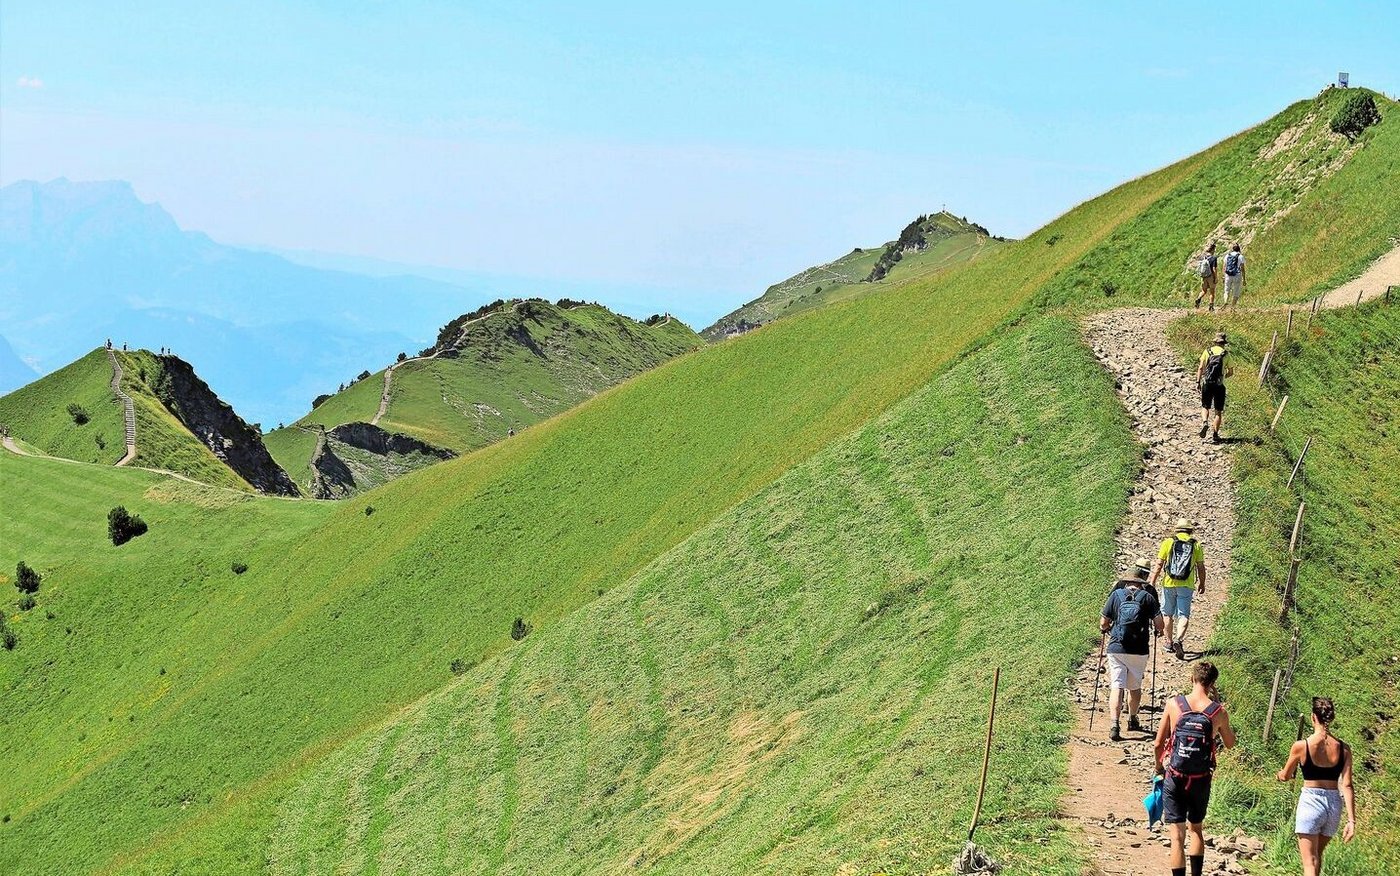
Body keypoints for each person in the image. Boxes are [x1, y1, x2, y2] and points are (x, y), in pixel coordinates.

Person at [1154, 661, 1237, 876]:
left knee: (1177, 836)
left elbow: (1158, 743)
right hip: (1200, 778)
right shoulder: (1218, 712)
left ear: (1192, 679)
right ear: (1212, 684)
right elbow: (1230, 743)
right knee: (1196, 829)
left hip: (1175, 775)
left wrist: (1158, 768)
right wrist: (1218, 706)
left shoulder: (1174, 705)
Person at [1277, 697, 1357, 875]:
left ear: (1313, 717)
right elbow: (1347, 785)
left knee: (1309, 863)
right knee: (1317, 857)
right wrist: (1351, 820)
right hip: (1334, 804)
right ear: (1331, 718)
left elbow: (1286, 775)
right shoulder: (1344, 749)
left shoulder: (1302, 746)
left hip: (1311, 801)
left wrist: (1280, 775)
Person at [1100, 560, 1164, 740]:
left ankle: (1114, 724)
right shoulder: (1148, 597)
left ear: (1127, 581)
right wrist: (1158, 631)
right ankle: (1133, 718)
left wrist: (1106, 629)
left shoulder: (1116, 595)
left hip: (1117, 647)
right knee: (1134, 687)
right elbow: (1160, 624)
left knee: (1116, 685)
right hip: (1139, 649)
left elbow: (1103, 622)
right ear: (1141, 581)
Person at [1150, 519, 1206, 660]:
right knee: (1183, 615)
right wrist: (1202, 583)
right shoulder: (1196, 545)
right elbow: (1201, 567)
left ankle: (1168, 643)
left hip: (1169, 583)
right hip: (1186, 585)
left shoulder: (1168, 542)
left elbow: (1159, 564)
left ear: (1177, 530)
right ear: (1189, 530)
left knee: (1167, 613)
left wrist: (1152, 581)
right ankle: (1178, 640)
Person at [1195, 331, 1232, 443]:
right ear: (1224, 343)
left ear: (1215, 342)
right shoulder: (1226, 354)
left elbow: (1201, 367)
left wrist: (1198, 382)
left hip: (1207, 383)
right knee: (1218, 411)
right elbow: (1231, 372)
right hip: (1219, 385)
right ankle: (1215, 434)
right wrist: (1223, 376)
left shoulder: (1207, 351)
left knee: (1205, 406)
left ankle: (1205, 422)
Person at [1194, 243, 1219, 310]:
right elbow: (1214, 269)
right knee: (1212, 292)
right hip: (1210, 276)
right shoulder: (1214, 258)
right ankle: (1211, 306)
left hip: (1204, 276)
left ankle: (1198, 299)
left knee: (1203, 291)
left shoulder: (1204, 257)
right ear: (1213, 249)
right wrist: (1216, 277)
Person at [1222, 243, 1246, 308]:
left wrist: (1223, 276)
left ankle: (1225, 301)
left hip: (1228, 275)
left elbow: (1224, 267)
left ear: (1232, 249)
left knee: (1226, 290)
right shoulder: (1240, 256)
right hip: (1237, 275)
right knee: (1236, 291)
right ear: (1239, 249)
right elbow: (1242, 268)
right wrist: (1244, 279)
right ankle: (1232, 307)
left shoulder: (1227, 256)